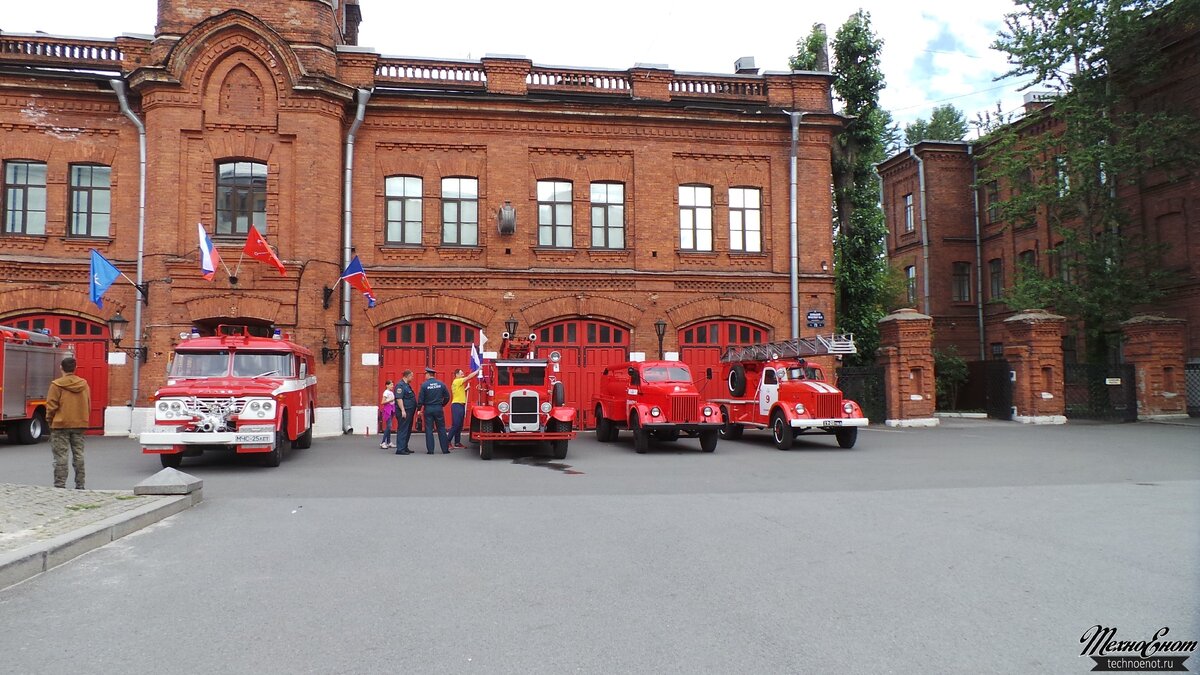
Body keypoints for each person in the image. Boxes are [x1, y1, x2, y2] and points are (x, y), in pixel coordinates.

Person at [45, 356, 91, 489]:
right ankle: (80, 484)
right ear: (75, 368)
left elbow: (51, 406)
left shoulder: (56, 385)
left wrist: (50, 421)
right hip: (79, 423)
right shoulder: (84, 384)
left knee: (61, 455)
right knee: (79, 454)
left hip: (60, 425)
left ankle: (60, 484)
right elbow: (88, 404)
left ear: (61, 368)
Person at [415, 366, 450, 454]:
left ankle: (430, 450)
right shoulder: (441, 384)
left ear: (428, 374)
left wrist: (419, 409)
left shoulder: (424, 385)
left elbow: (420, 399)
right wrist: (442, 404)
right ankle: (445, 449)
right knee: (441, 428)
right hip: (438, 408)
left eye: (425, 374)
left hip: (428, 409)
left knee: (429, 429)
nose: (425, 376)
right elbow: (447, 396)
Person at [447, 367, 481, 449]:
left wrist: (465, 390)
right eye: (461, 373)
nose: (463, 374)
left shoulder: (458, 383)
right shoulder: (457, 381)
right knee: (456, 425)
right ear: (457, 374)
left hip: (460, 405)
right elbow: (469, 377)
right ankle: (447, 442)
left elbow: (458, 393)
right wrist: (477, 371)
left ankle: (457, 443)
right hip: (457, 405)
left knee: (459, 425)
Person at [393, 370, 417, 455]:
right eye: (412, 376)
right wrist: (403, 410)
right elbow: (399, 399)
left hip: (409, 412)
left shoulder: (407, 385)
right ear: (407, 376)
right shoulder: (400, 385)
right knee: (403, 430)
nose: (413, 378)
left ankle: (404, 447)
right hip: (404, 411)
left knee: (407, 430)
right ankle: (400, 449)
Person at [379, 380, 397, 449]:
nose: (392, 386)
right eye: (391, 385)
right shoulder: (386, 392)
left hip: (391, 409)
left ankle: (389, 442)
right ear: (387, 385)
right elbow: (382, 402)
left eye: (392, 384)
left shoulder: (391, 392)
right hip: (387, 409)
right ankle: (383, 442)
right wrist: (390, 400)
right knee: (389, 426)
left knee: (389, 427)